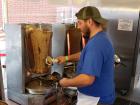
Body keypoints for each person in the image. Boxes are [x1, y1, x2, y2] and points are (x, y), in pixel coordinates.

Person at [56, 6, 115, 105]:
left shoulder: (95, 44)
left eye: (80, 23)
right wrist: (66, 58)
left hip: (95, 99)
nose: (78, 27)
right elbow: (85, 54)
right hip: (103, 94)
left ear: (90, 21)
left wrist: (66, 82)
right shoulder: (101, 37)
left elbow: (87, 79)